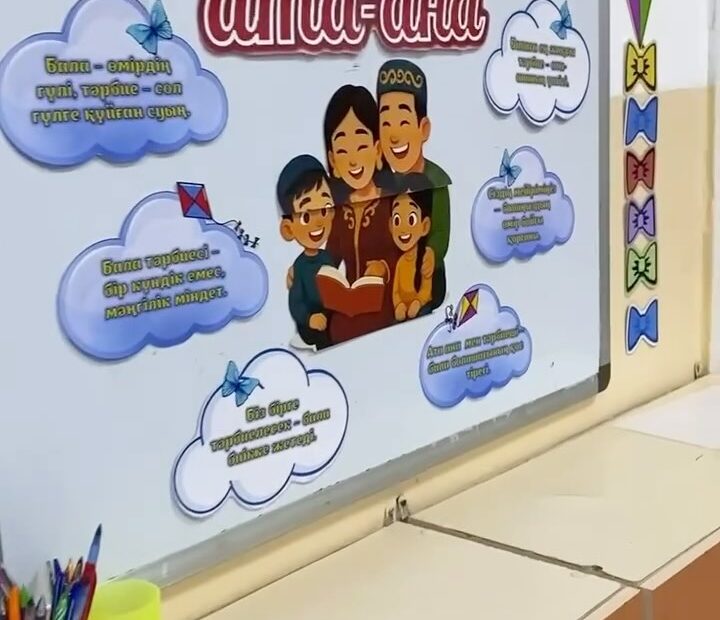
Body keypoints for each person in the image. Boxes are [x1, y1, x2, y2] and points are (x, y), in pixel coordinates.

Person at [320, 84, 400, 344]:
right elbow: (329, 260)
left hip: (388, 311)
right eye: (343, 151)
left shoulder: (393, 202)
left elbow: (410, 252)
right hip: (348, 313)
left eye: (361, 146)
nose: (353, 160)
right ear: (333, 161)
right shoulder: (339, 211)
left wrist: (384, 269)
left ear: (377, 150)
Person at [376, 59, 451, 311]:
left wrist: (432, 253)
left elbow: (441, 231)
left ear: (423, 128)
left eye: (403, 122)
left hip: (427, 277)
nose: (394, 135)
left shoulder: (436, 179)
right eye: (386, 124)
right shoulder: (386, 184)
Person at [276, 154, 336, 350]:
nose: (318, 222)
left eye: (325, 209)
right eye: (306, 216)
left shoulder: (327, 258)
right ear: (288, 229)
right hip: (310, 325)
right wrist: (309, 319)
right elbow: (296, 303)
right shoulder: (300, 267)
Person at [389, 175, 434, 321]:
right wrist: (399, 305)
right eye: (397, 220)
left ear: (424, 226)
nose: (403, 229)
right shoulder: (401, 262)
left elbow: (426, 289)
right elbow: (395, 292)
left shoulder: (426, 255)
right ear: (391, 226)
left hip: (422, 310)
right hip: (404, 313)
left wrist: (418, 302)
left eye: (411, 219)